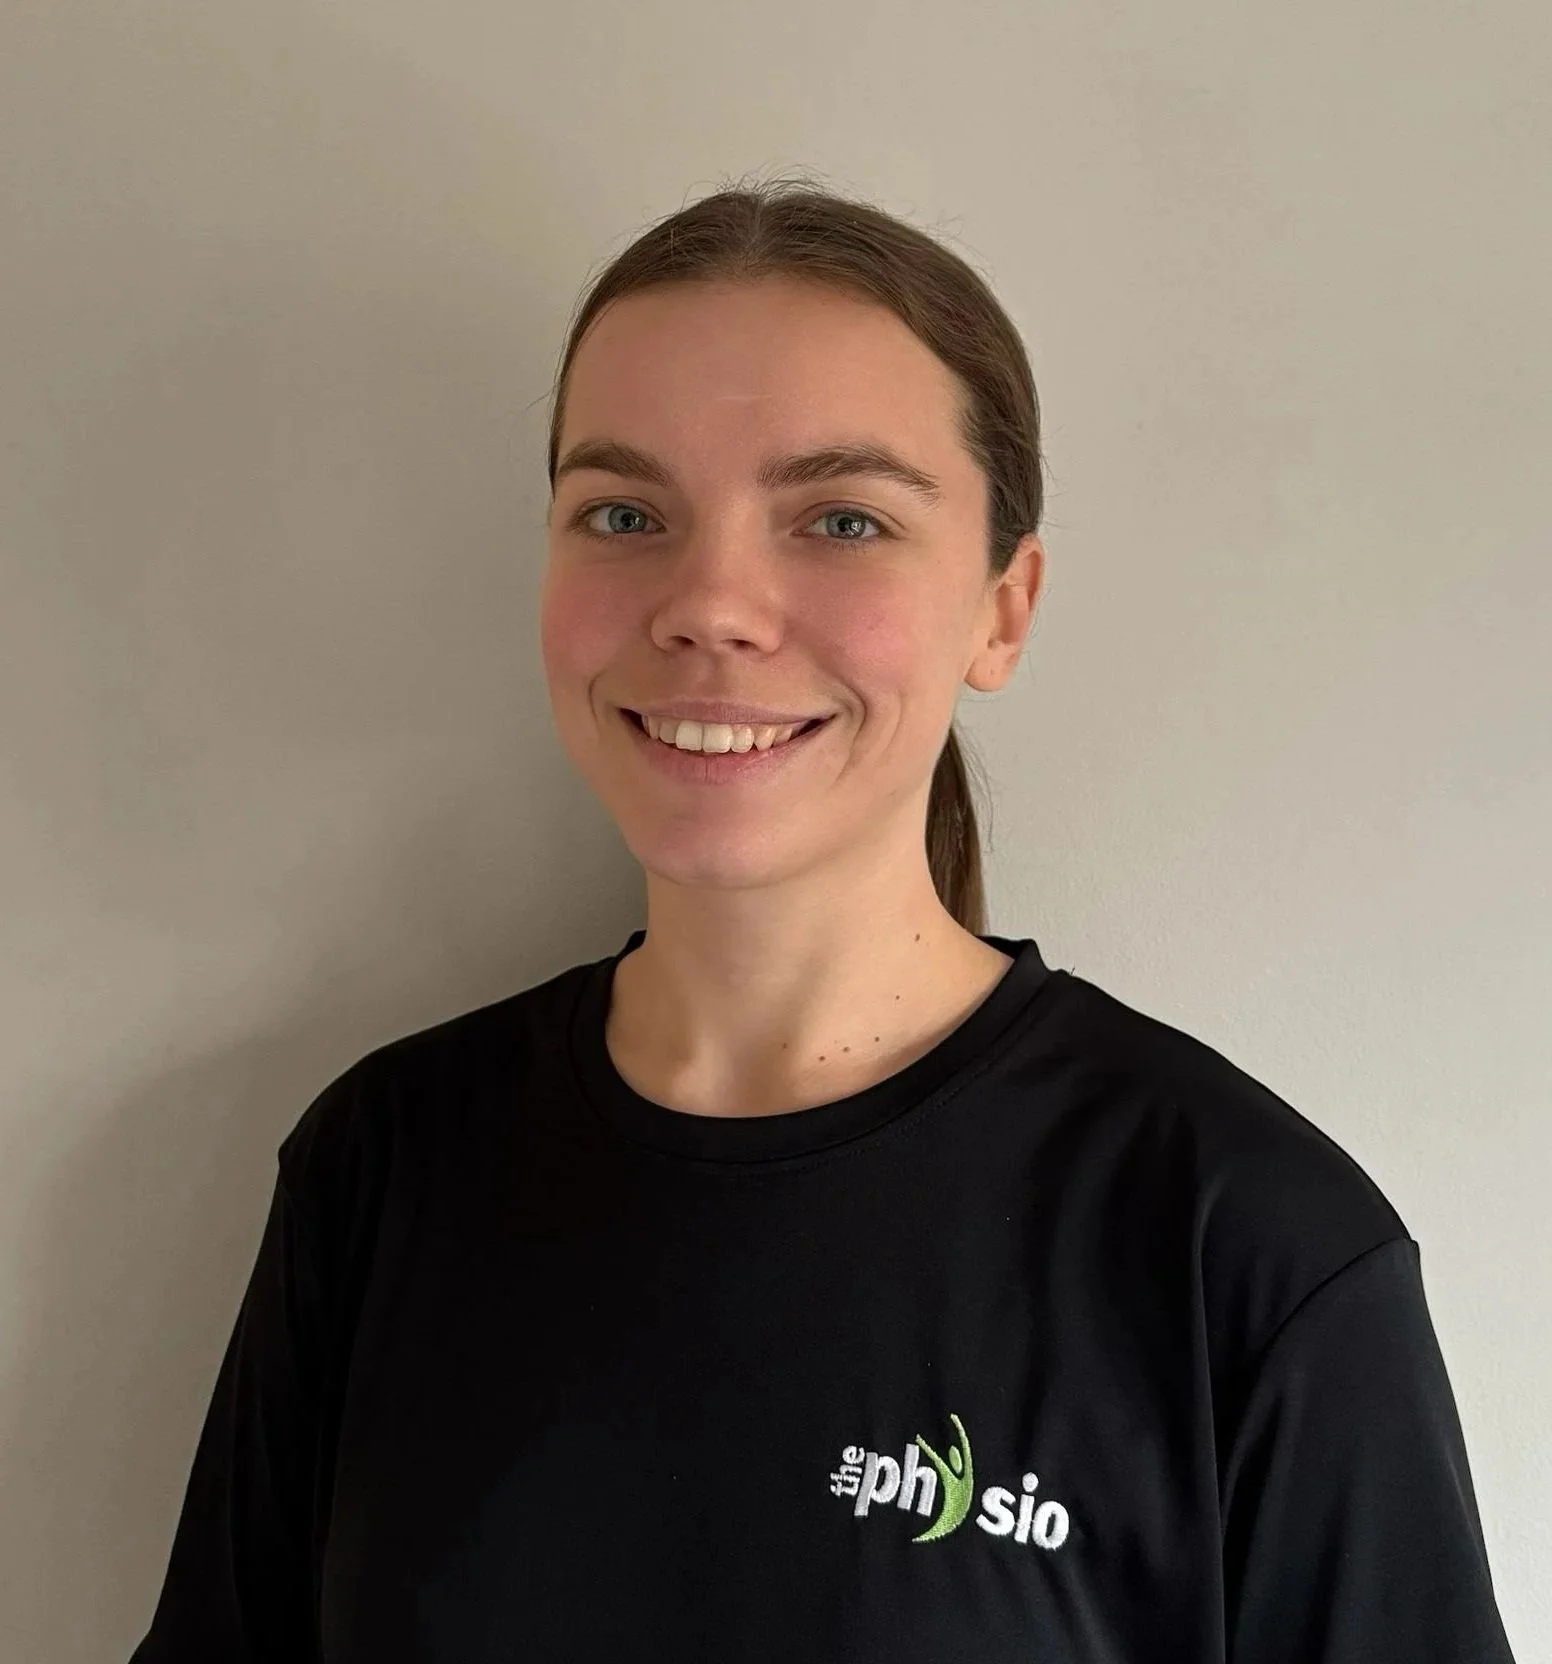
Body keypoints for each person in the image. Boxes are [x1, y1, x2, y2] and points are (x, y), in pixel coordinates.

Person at [128, 174, 1518, 1663]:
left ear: (1003, 608)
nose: (711, 602)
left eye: (842, 518)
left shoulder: (1244, 1244)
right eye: (623, 511)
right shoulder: (381, 1166)